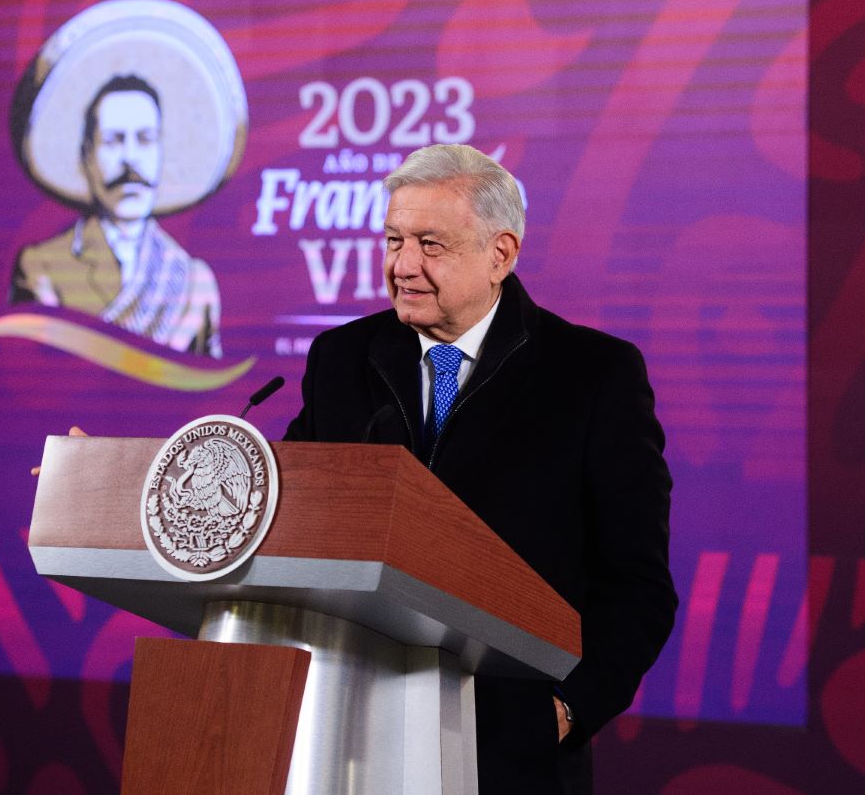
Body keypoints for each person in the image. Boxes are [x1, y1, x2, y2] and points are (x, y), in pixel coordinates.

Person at [284, 143, 677, 794]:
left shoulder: (592, 377)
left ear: (501, 253)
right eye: (393, 240)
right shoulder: (341, 359)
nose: (402, 265)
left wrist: (565, 710)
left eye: (430, 245)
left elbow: (636, 584)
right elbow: (291, 508)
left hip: (508, 752)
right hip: (348, 737)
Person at [10, 74, 223, 357]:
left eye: (145, 140)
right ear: (86, 156)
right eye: (113, 141)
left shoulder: (193, 282)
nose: (130, 158)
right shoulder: (43, 269)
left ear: (162, 152)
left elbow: (211, 392)